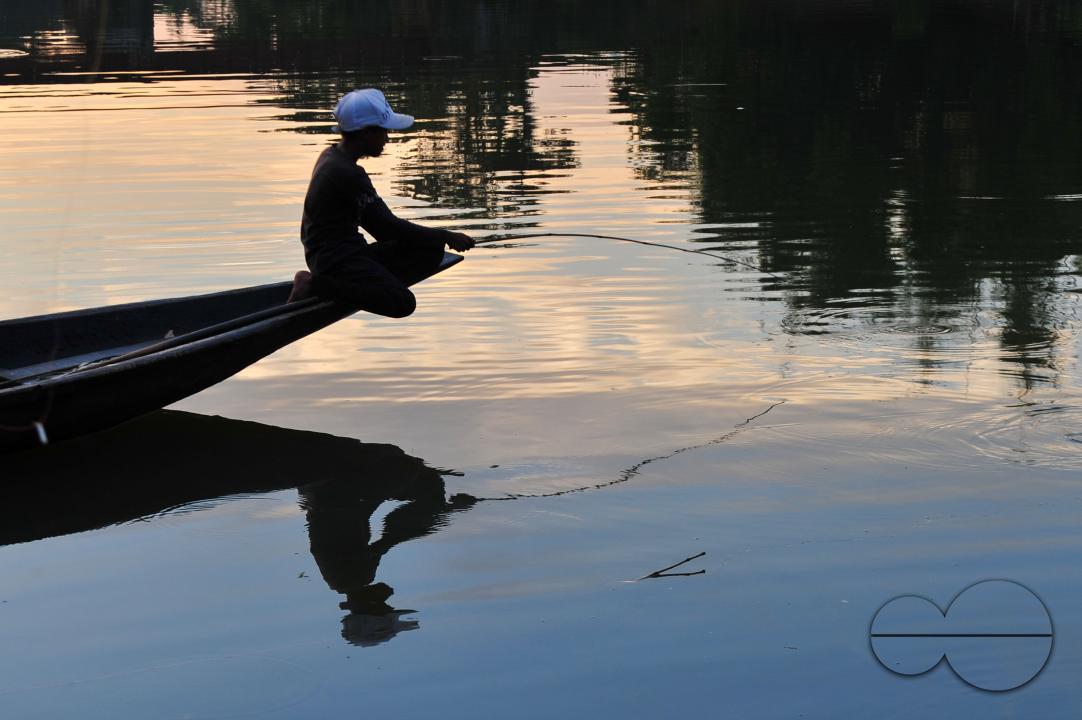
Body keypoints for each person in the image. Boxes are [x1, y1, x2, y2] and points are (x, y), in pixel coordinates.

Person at [288, 88, 474, 313]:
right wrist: (446, 236)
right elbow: (386, 229)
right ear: (366, 133)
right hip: (334, 261)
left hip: (341, 253)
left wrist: (437, 240)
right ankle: (314, 285)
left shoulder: (332, 155)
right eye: (383, 131)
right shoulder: (347, 173)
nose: (387, 138)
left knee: (430, 252)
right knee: (402, 302)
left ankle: (360, 288)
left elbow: (379, 224)